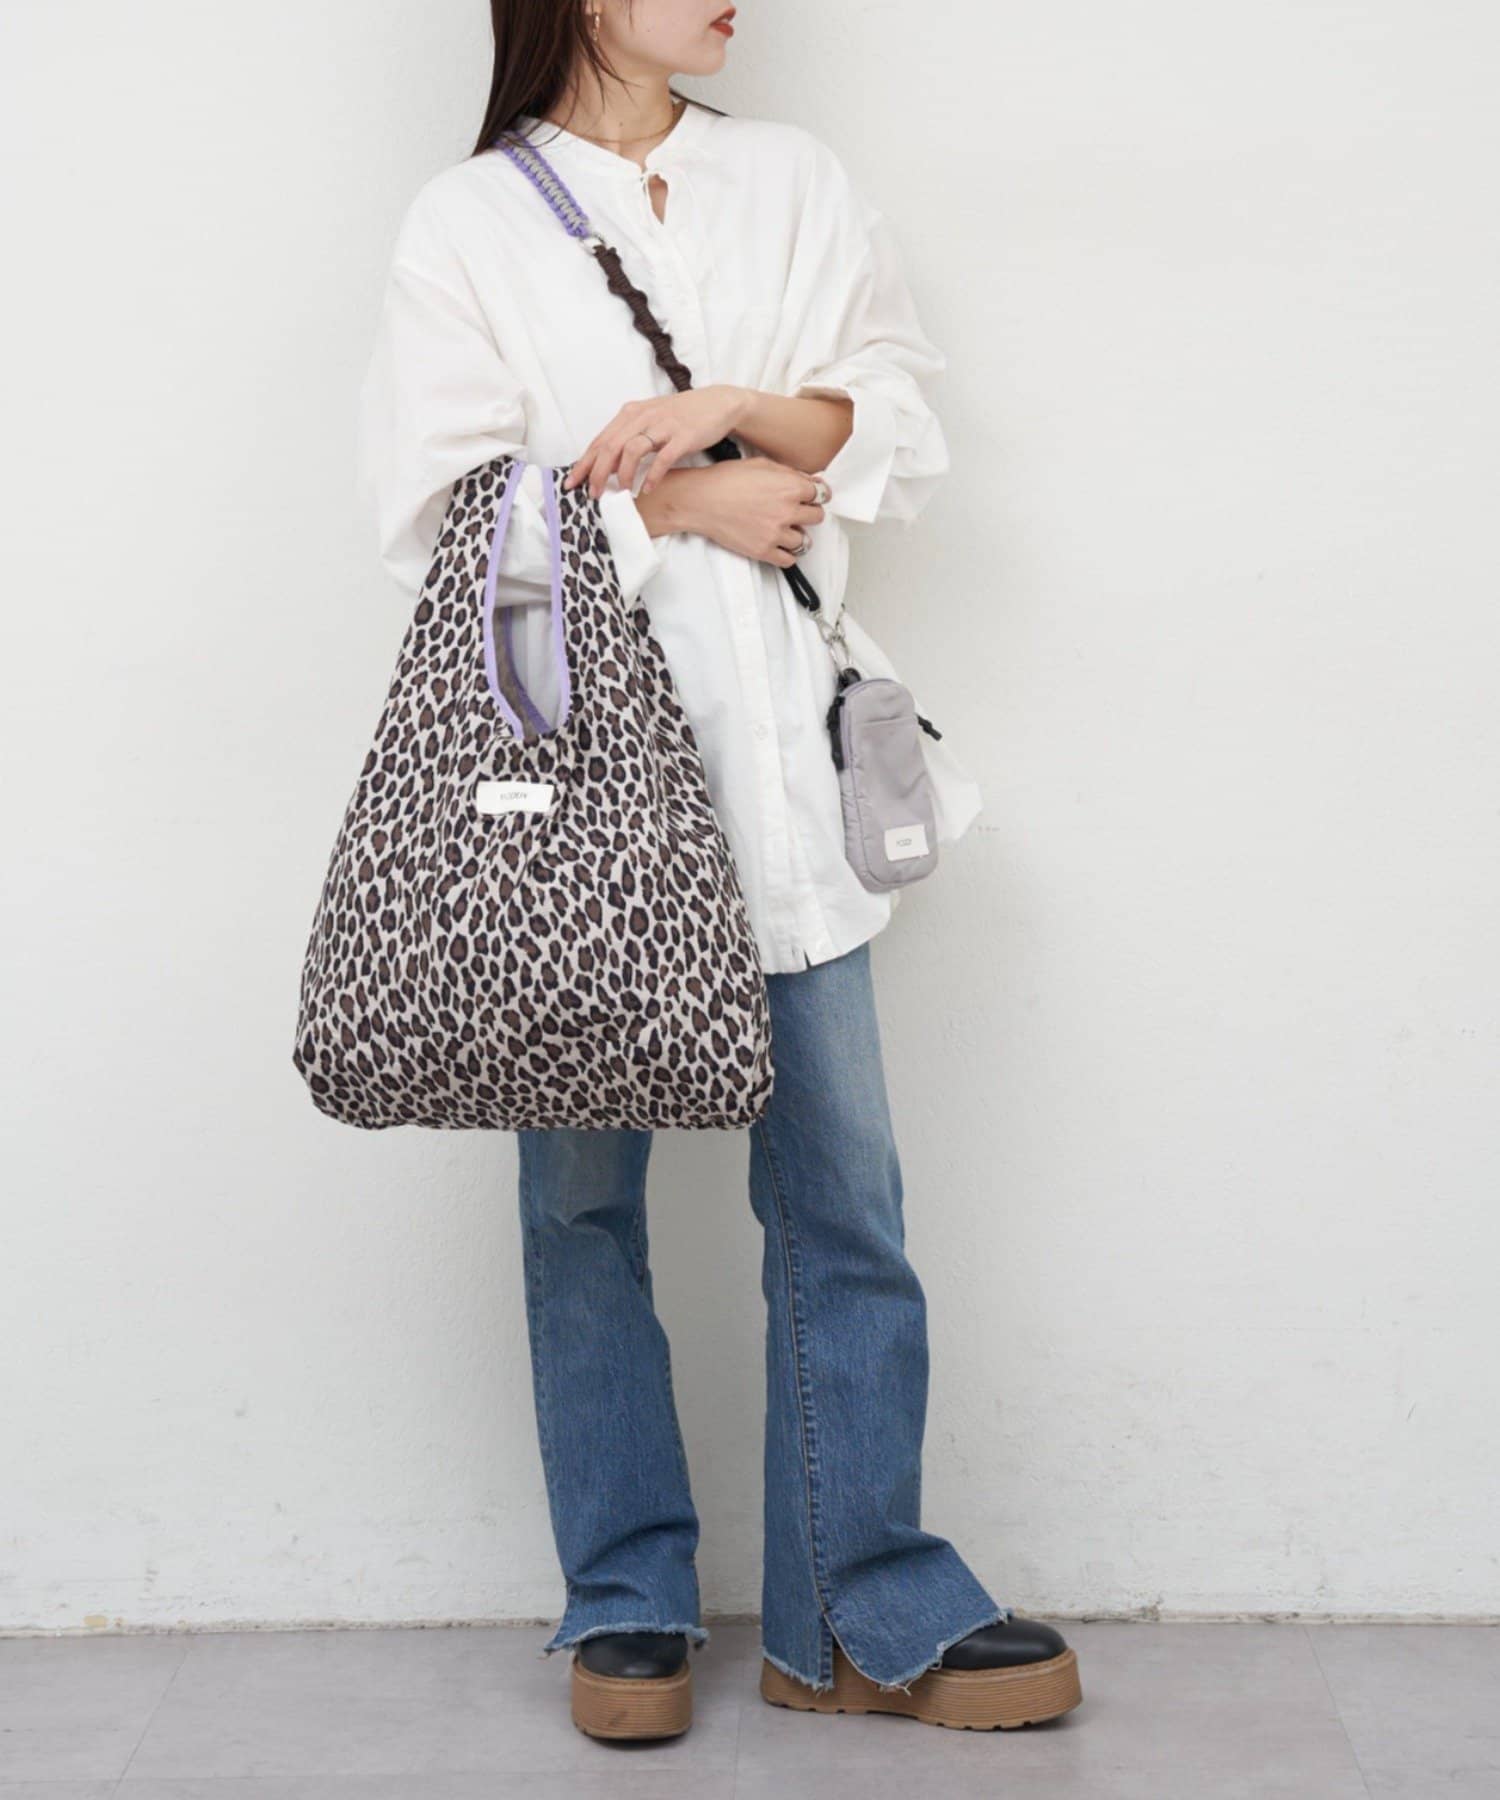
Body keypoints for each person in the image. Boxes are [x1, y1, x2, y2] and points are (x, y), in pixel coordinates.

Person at [358, 0, 1083, 1744]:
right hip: (577, 814)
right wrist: (673, 507)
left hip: (781, 787)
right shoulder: (469, 221)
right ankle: (627, 1600)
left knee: (846, 1205)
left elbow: (895, 418)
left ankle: (858, 1608)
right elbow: (436, 518)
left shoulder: (792, 181)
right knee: (580, 1212)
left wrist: (740, 417)